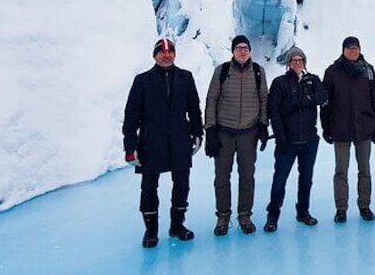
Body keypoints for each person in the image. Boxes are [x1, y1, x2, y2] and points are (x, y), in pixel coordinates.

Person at [123, 38, 203, 248]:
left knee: (182, 186)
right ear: (155, 55)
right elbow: (131, 116)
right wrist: (130, 148)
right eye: (162, 52)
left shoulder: (186, 77)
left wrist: (197, 133)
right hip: (151, 142)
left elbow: (194, 108)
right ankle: (151, 230)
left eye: (170, 52)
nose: (166, 55)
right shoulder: (142, 81)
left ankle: (177, 225)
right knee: (149, 188)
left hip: (179, 140)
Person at [203, 34, 269, 236]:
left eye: (245, 48)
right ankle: (223, 216)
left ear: (250, 51)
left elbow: (264, 100)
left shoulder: (258, 71)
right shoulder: (222, 71)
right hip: (224, 132)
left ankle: (244, 214)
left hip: (248, 133)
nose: (242, 50)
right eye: (239, 47)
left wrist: (263, 126)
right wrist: (210, 130)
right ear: (233, 51)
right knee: (222, 176)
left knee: (247, 176)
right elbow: (211, 100)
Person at [263, 46, 328, 232]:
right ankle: (273, 215)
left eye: (300, 60)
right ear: (288, 63)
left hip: (309, 140)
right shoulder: (280, 83)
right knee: (280, 179)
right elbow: (274, 110)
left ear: (304, 62)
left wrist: (304, 100)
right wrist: (280, 137)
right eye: (294, 60)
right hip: (288, 141)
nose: (297, 63)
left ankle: (303, 212)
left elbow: (323, 96)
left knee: (306, 178)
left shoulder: (312, 80)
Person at [321, 36, 375, 223]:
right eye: (349, 48)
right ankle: (341, 208)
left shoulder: (368, 70)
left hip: (364, 128)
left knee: (364, 169)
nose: (352, 51)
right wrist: (326, 127)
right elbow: (326, 102)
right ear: (343, 50)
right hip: (340, 129)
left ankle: (365, 206)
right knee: (341, 171)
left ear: (359, 49)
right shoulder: (332, 71)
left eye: (355, 48)